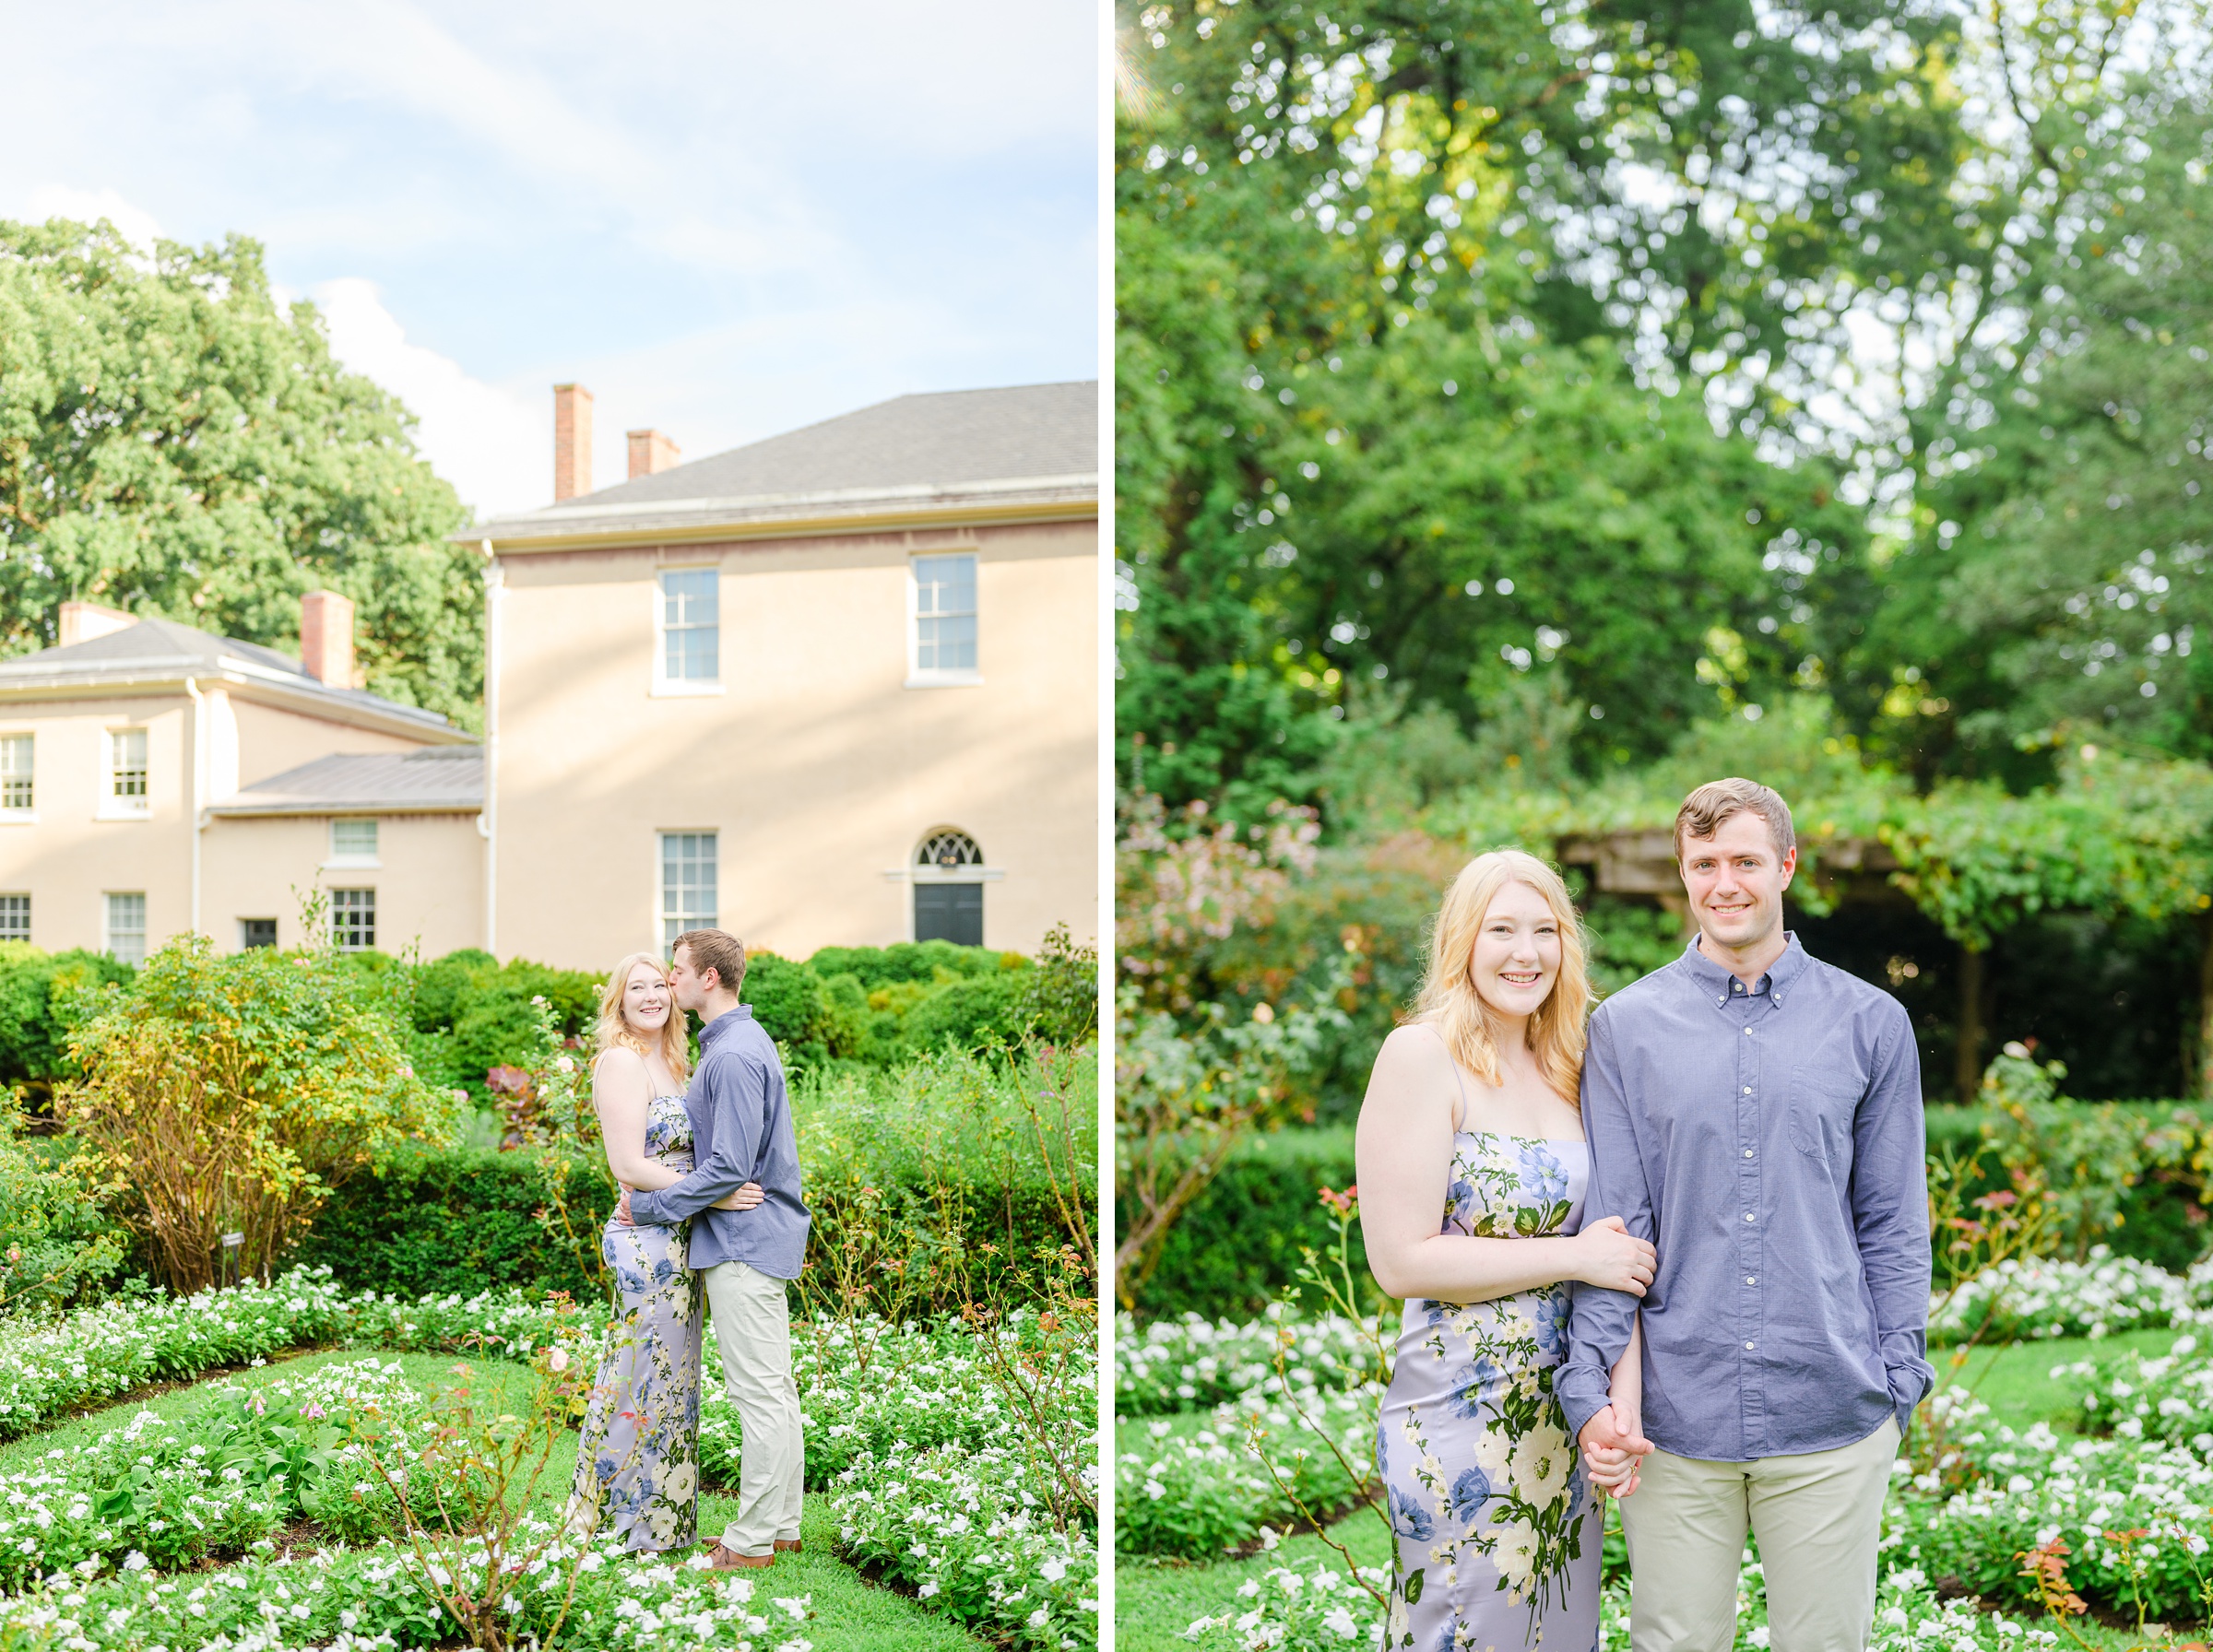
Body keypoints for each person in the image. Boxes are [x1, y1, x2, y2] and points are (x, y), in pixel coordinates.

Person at [1559, 777, 1933, 1652]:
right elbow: (1619, 1230)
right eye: (1704, 864)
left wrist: (1898, 1382)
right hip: (1676, 1422)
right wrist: (1589, 1392)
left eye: (1745, 861)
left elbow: (1892, 1224)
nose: (1724, 882)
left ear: (1786, 867)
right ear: (1683, 876)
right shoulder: (1625, 1029)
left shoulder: (1871, 1024)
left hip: (1834, 1413)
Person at [1355, 849, 1656, 1651]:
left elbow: (1619, 1253)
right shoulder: (1420, 1056)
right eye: (1501, 930)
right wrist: (1570, 1259)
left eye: (1544, 930)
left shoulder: (1574, 1065)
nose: (1525, 953)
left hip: (1565, 1413)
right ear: (1462, 941)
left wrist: (1618, 1407)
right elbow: (1401, 1262)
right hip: (1459, 1413)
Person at [619, 928, 811, 1570]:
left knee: (759, 1394)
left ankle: (753, 1540)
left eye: (676, 972)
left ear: (708, 979)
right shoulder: (736, 1043)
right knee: (775, 1390)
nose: (669, 982)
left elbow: (728, 1165)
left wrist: (646, 1204)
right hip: (755, 1238)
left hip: (743, 1243)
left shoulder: (729, 1056)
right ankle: (782, 1524)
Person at [567, 952, 762, 1552]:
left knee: (672, 1377)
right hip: (644, 1239)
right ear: (618, 1002)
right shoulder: (622, 1062)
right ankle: (611, 1520)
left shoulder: (674, 1061)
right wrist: (716, 1196)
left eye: (660, 984)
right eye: (637, 988)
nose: (652, 995)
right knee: (639, 1373)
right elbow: (627, 1164)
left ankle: (662, 1522)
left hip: (680, 1233)